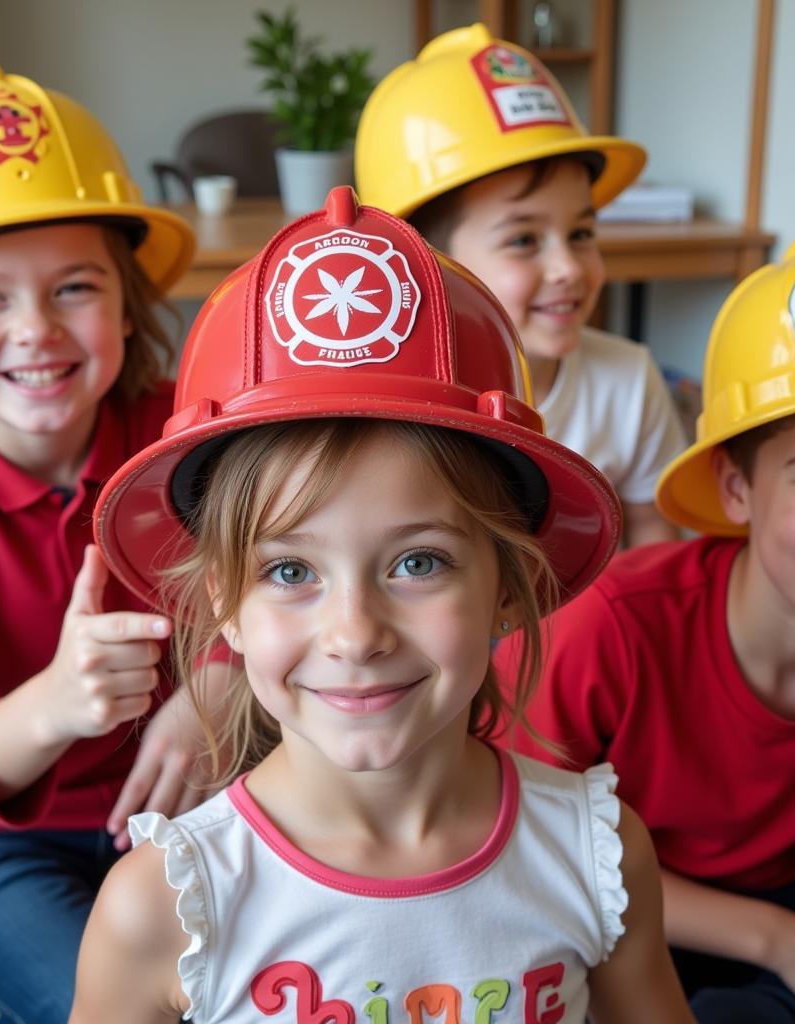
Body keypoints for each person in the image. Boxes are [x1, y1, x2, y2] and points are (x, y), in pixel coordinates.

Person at [68, 187, 693, 1024]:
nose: (355, 634)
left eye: (419, 561)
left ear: (509, 586)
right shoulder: (164, 908)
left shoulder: (600, 854)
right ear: (222, 601)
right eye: (290, 572)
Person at [497, 227, 795, 1023]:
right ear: (736, 489)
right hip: (599, 891)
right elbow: (518, 850)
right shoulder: (609, 628)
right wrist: (774, 938)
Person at [0, 65, 233, 1024]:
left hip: (181, 806)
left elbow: (283, 567)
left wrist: (211, 684)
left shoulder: (187, 433)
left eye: (74, 287)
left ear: (127, 307)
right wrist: (55, 702)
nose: (36, 330)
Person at [354, 24, 686, 547]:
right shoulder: (388, 405)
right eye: (524, 239)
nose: (569, 268)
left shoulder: (628, 380)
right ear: (427, 265)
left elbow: (652, 535)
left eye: (580, 233)